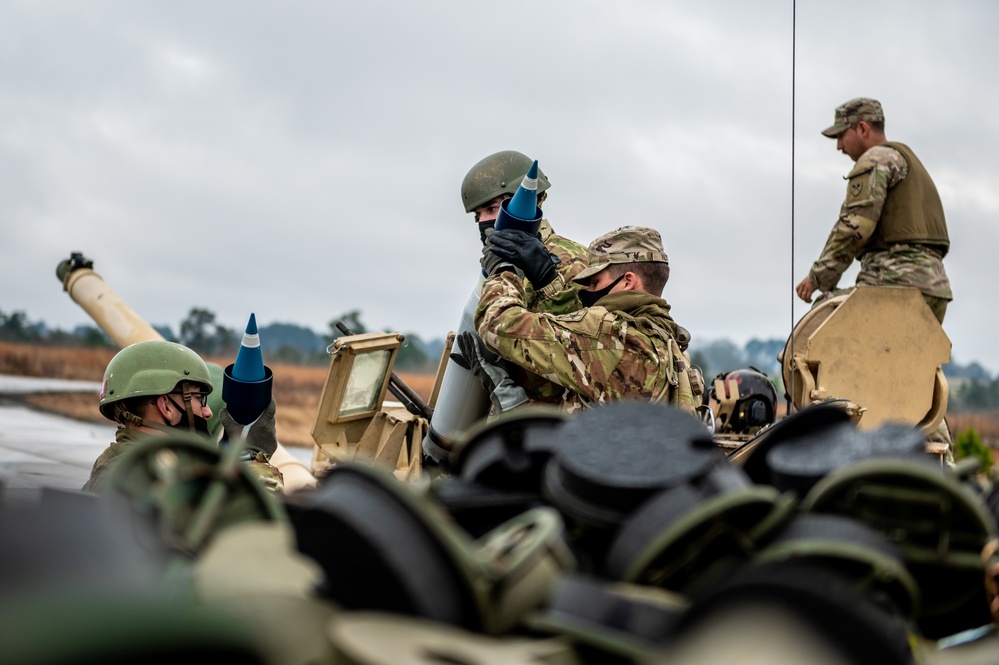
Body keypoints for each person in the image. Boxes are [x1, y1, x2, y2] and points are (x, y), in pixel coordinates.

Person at [473, 225, 704, 415]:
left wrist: (503, 270)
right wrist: (550, 284)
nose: (588, 292)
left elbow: (498, 324)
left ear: (627, 282)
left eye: (595, 283)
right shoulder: (668, 343)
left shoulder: (611, 336)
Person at [795, 98, 952, 323]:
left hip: (894, 285)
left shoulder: (876, 159)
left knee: (821, 315)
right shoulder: (909, 162)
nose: (839, 146)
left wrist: (817, 278)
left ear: (862, 128)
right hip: (935, 294)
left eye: (841, 135)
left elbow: (854, 228)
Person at [82, 340, 283, 493]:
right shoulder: (150, 479)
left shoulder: (113, 466)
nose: (208, 412)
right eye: (199, 399)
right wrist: (255, 463)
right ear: (166, 407)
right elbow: (248, 531)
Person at [461, 150, 588, 315]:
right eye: (478, 215)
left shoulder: (572, 262)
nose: (483, 221)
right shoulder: (493, 263)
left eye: (491, 209)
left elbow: (576, 334)